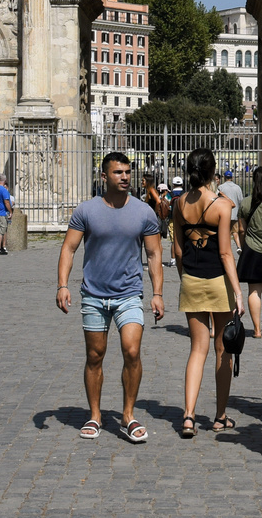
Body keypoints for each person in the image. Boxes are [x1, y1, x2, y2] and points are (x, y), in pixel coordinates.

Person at [54, 152, 165, 444]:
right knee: (95, 355)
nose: (125, 177)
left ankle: (128, 415)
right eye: (118, 172)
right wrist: (62, 285)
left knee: (131, 351)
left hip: (129, 293)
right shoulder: (86, 210)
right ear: (104, 177)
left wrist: (157, 293)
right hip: (93, 294)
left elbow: (154, 254)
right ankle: (95, 415)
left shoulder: (144, 212)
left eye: (128, 172)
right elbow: (69, 248)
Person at [173, 147, 243, 437]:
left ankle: (188, 416)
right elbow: (226, 253)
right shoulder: (222, 206)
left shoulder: (178, 204)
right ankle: (219, 415)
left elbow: (177, 249)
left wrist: (184, 276)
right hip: (218, 281)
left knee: (197, 350)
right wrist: (238, 292)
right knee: (222, 349)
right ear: (214, 172)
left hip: (191, 279)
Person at [237, 165, 262, 338]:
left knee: (254, 291)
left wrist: (244, 246)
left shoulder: (245, 202)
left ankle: (257, 329)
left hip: (252, 249)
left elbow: (241, 230)